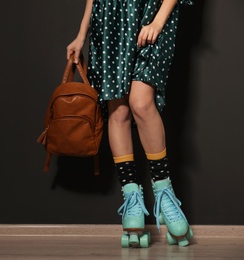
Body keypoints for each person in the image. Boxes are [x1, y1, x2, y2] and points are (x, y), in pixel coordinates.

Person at [67, 0, 194, 247]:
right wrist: (82, 34)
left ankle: (165, 196)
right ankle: (132, 200)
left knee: (141, 103)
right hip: (109, 15)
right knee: (118, 109)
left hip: (152, 10)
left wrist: (159, 21)